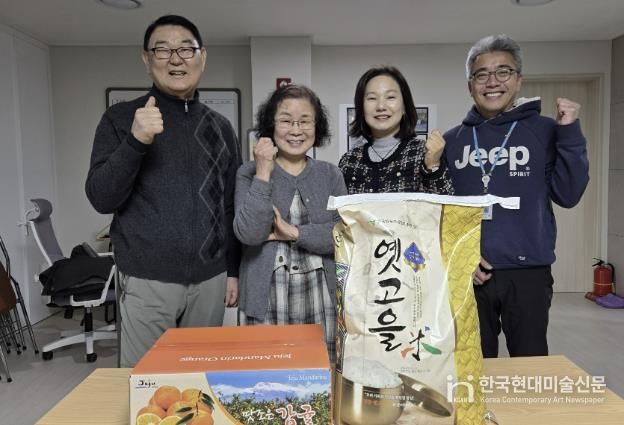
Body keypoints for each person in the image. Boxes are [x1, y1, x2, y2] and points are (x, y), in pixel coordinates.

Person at [86, 15, 241, 367]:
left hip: (210, 281)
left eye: (186, 49)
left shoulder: (221, 127)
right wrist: (136, 141)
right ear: (146, 59)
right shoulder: (121, 118)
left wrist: (232, 270)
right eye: (162, 50)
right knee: (147, 384)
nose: (175, 59)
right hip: (147, 279)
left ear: (202, 57)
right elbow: (101, 197)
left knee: (198, 382)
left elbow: (229, 205)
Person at [443, 34, 589, 358]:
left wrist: (570, 132)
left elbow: (568, 194)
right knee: (473, 366)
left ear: (519, 80)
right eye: (482, 74)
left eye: (503, 72)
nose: (492, 82)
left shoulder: (546, 130)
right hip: (470, 273)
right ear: (470, 85)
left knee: (530, 364)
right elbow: (442, 211)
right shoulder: (453, 141)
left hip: (529, 272)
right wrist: (460, 258)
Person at [233, 84, 347, 362]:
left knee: (319, 371)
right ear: (271, 125)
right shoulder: (248, 172)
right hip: (267, 294)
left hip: (321, 293)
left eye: (305, 121)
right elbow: (249, 234)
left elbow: (342, 236)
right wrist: (263, 171)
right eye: (286, 121)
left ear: (316, 126)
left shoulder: (331, 174)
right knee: (266, 374)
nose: (296, 130)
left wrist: (293, 232)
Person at [339, 66, 453, 195]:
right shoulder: (349, 160)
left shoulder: (423, 152)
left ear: (404, 106)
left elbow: (444, 203)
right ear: (361, 107)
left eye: (390, 97)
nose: (381, 106)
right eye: (372, 98)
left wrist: (433, 164)